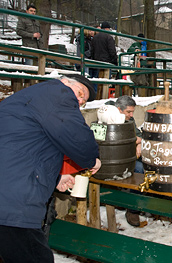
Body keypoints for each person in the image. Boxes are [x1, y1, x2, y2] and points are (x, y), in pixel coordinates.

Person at [0, 74, 101, 262]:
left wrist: (57, 178)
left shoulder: (32, 96)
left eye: (82, 101)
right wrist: (92, 159)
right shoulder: (58, 93)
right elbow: (78, 139)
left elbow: (28, 149)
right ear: (64, 82)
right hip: (12, 203)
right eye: (80, 93)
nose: (78, 101)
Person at [114, 95, 144, 227]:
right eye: (128, 112)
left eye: (132, 112)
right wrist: (134, 140)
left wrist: (139, 143)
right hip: (115, 159)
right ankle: (133, 209)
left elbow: (139, 134)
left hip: (130, 155)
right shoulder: (108, 117)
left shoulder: (129, 119)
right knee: (139, 170)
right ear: (118, 110)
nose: (131, 115)